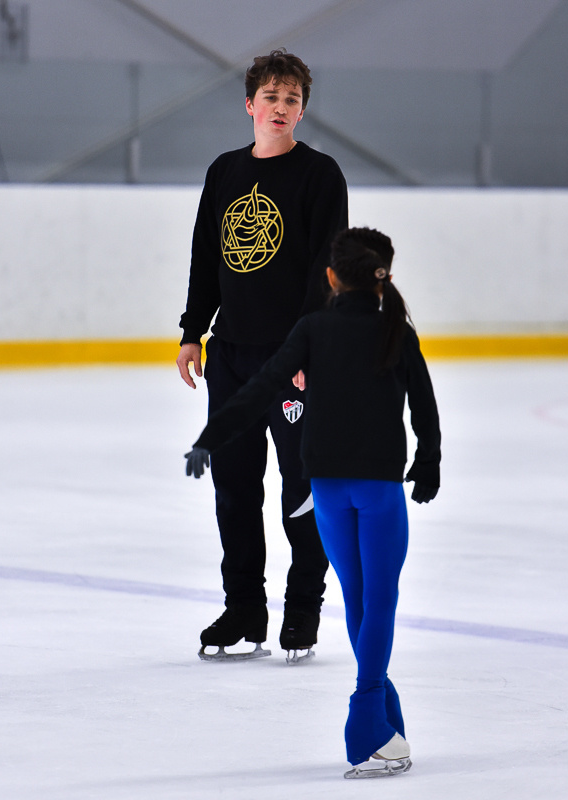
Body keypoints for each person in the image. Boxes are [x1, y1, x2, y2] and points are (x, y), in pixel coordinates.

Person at [184, 227, 441, 778]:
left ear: (330, 277)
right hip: (376, 487)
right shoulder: (397, 330)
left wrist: (212, 435)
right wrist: (429, 461)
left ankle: (387, 722)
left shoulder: (312, 329)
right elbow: (424, 405)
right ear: (384, 276)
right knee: (381, 600)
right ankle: (369, 717)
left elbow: (258, 391)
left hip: (324, 486)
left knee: (358, 598)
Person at [176, 49, 349, 661]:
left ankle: (302, 608)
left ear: (302, 110)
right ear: (250, 104)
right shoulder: (224, 172)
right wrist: (193, 330)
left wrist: (307, 343)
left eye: (293, 99)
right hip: (231, 358)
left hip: (291, 358)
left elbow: (326, 268)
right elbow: (208, 256)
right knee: (235, 487)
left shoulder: (320, 175)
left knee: (300, 489)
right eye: (271, 97)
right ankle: (244, 606)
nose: (281, 107)